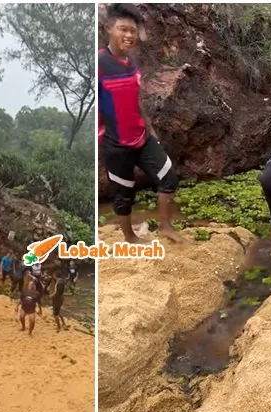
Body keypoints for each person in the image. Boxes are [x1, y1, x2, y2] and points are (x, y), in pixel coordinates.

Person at [99, 4, 185, 244]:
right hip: (116, 144)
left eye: (133, 31)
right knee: (123, 195)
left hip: (142, 137)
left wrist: (151, 129)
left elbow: (136, 100)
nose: (129, 35)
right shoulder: (99, 63)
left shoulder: (133, 62)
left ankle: (165, 226)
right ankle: (130, 237)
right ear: (109, 29)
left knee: (169, 178)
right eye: (123, 29)